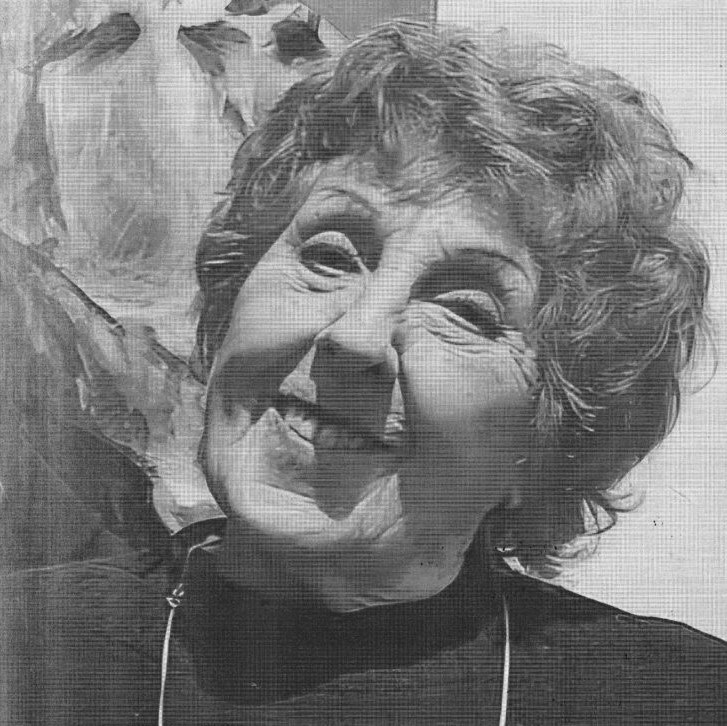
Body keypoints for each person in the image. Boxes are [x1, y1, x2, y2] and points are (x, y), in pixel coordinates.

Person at [2, 20, 726, 725]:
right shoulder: (25, 650)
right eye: (329, 256)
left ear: (547, 443)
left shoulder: (677, 698)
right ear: (230, 306)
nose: (353, 338)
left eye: (463, 310)